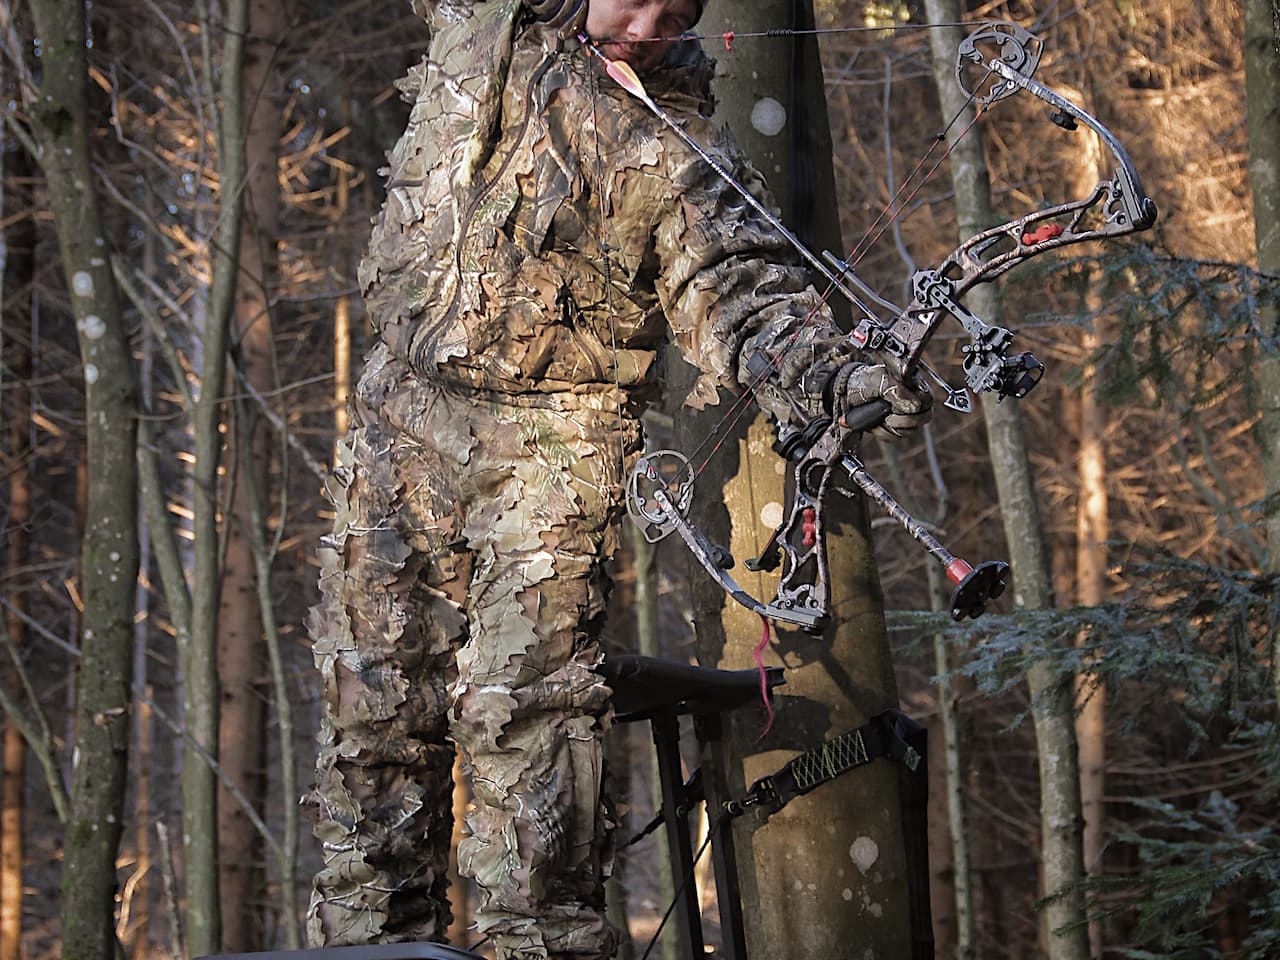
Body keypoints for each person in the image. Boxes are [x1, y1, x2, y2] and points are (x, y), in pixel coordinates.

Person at [303, 0, 932, 957]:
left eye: (673, 13)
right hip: (402, 414)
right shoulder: (487, 19)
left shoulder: (678, 142)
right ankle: (368, 948)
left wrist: (838, 377)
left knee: (533, 722)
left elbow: (739, 290)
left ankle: (538, 944)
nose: (644, 26)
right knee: (371, 713)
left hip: (553, 443)